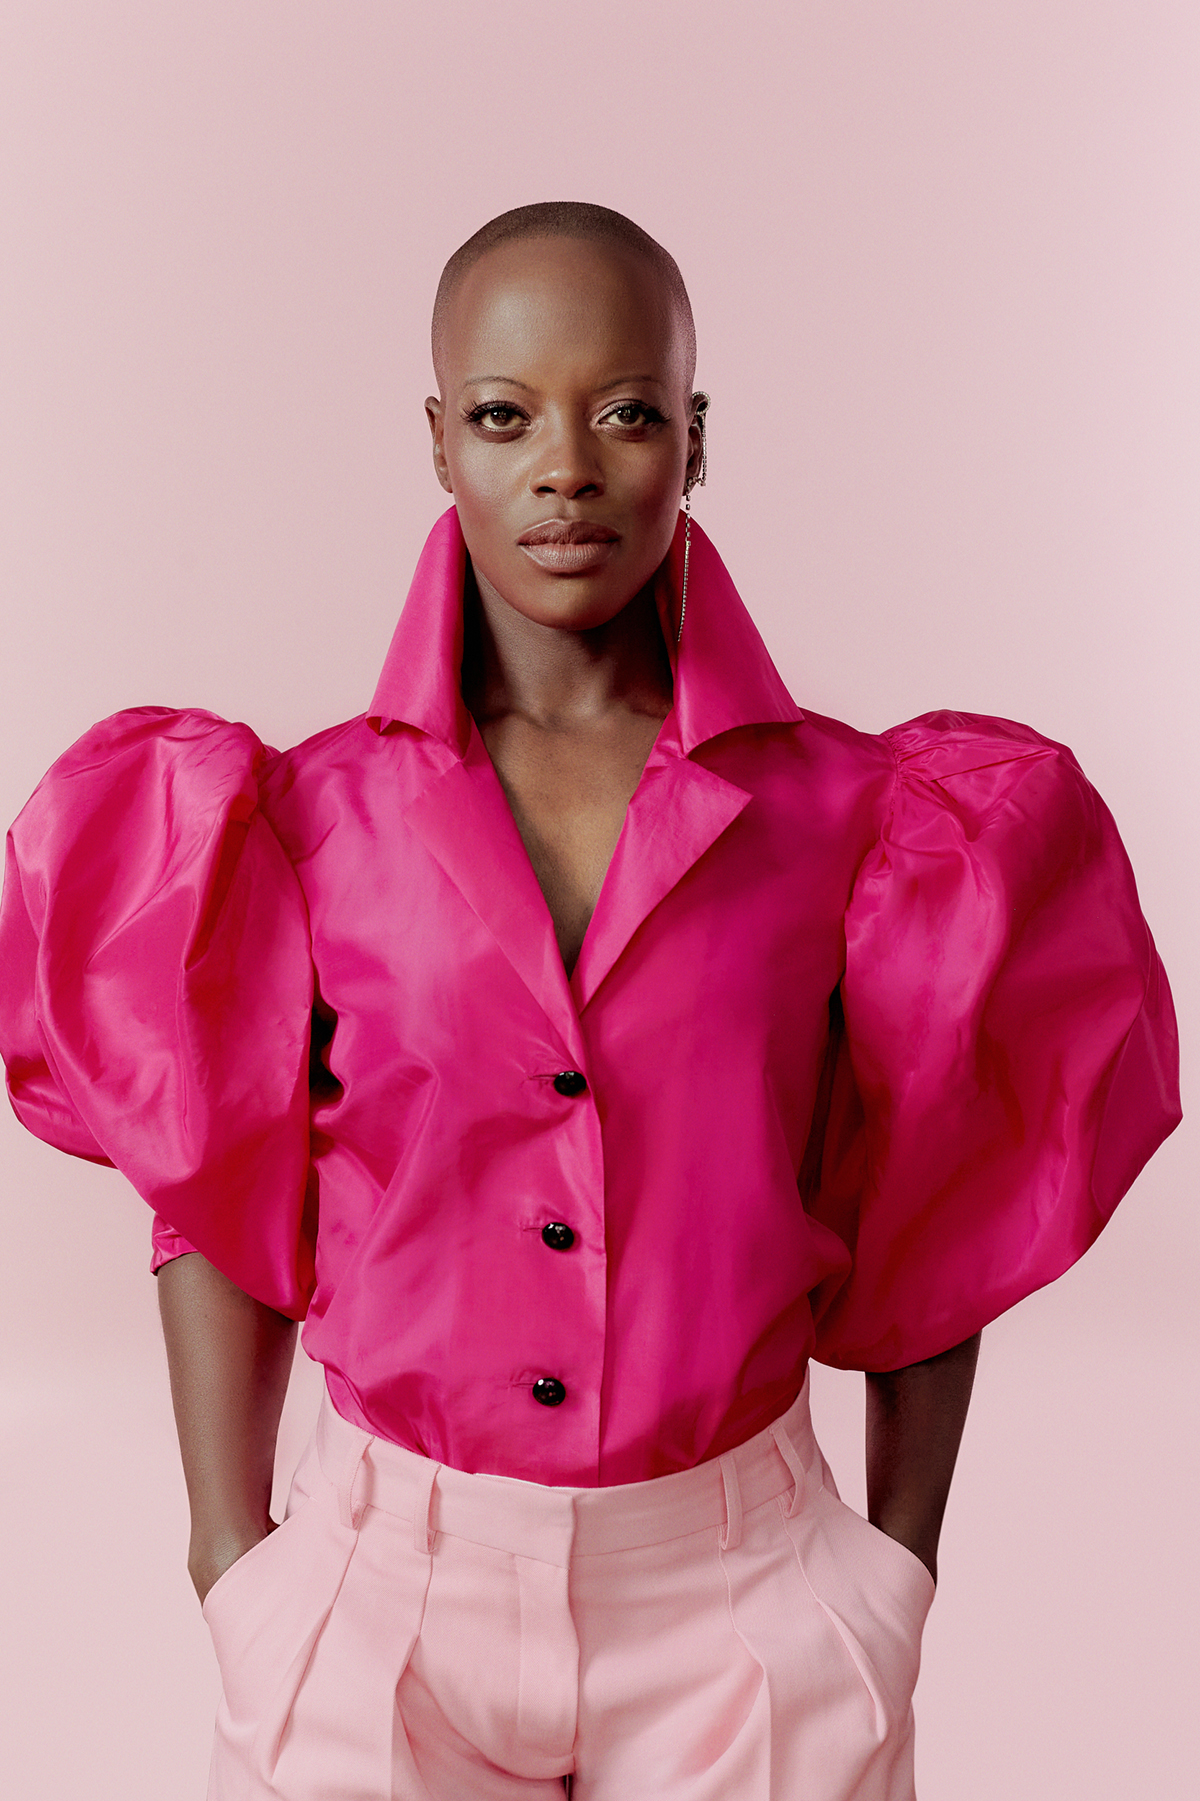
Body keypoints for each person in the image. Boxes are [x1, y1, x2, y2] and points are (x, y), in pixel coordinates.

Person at [0, 202, 1180, 1801]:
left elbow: (941, 1204)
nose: (565, 466)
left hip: (746, 1608)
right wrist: (232, 1554)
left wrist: (894, 1571)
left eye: (626, 411)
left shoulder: (863, 820)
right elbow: (212, 1185)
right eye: (504, 415)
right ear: (437, 442)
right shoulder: (298, 819)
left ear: (696, 439)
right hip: (377, 1610)